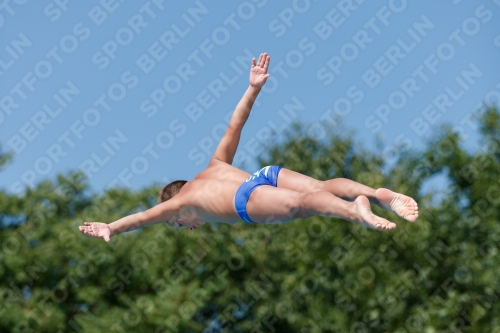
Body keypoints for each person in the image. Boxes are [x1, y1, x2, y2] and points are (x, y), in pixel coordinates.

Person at [79, 52, 418, 243]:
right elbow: (234, 126)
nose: (189, 226)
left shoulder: (182, 203)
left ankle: (353, 212)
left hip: (246, 200)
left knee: (303, 205)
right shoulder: (214, 164)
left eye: (181, 224)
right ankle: (375, 194)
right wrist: (253, 88)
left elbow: (142, 218)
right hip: (263, 175)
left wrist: (110, 226)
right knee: (321, 187)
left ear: (180, 213)